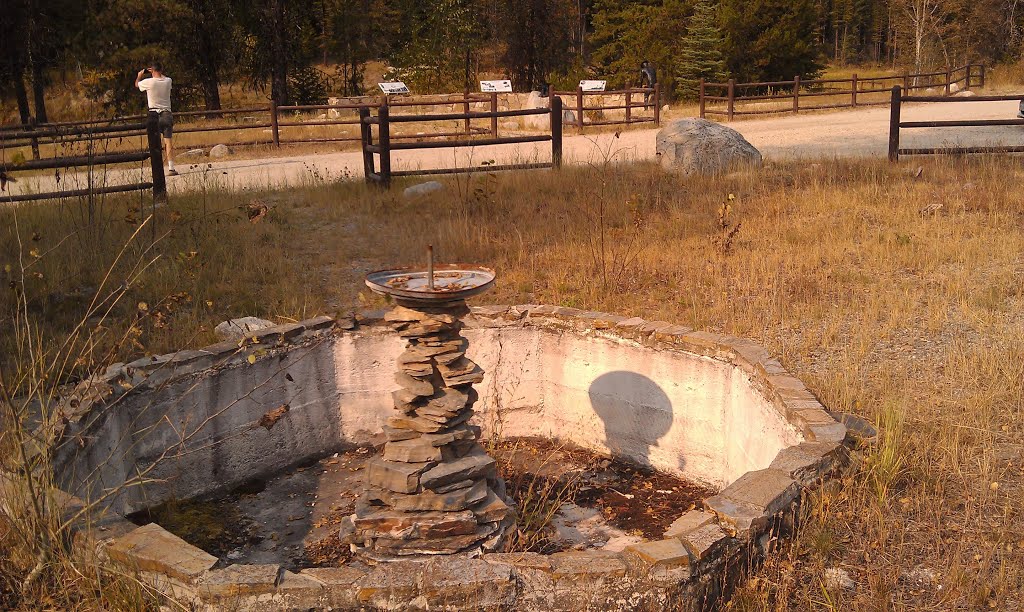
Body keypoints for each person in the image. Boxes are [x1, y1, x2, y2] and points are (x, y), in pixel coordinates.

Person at [135, 63, 177, 176]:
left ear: (152, 70)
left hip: (153, 114)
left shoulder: (149, 82)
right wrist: (156, 71)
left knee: (154, 142)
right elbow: (163, 77)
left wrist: (140, 75)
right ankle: (171, 167)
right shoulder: (168, 81)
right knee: (168, 142)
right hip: (166, 113)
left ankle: (157, 169)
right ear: (161, 70)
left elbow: (137, 85)